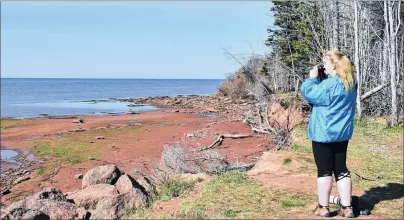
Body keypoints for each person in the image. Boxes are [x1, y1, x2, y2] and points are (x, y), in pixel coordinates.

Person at [300, 50, 357, 218]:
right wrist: (322, 79)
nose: (324, 68)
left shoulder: (328, 85)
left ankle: (323, 207)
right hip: (342, 134)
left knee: (324, 170)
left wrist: (312, 78)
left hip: (323, 134)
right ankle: (347, 208)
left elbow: (310, 94)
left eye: (325, 64)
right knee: (341, 170)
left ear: (334, 65)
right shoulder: (351, 83)